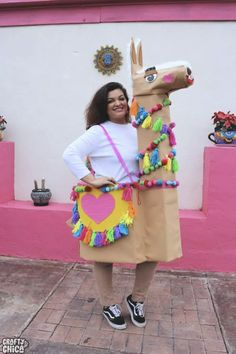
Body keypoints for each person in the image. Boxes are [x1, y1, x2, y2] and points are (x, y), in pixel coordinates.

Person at [63, 82, 157, 330]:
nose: (118, 103)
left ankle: (137, 299)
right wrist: (91, 179)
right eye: (110, 100)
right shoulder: (99, 132)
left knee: (151, 251)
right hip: (111, 202)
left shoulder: (138, 127)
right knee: (104, 257)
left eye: (121, 98)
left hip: (139, 200)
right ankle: (108, 304)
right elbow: (70, 154)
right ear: (103, 107)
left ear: (128, 100)